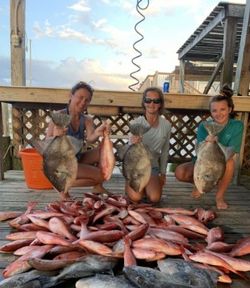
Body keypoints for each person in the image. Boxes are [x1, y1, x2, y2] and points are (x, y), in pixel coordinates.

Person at [175, 85, 244, 210]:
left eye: (222, 109)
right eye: (214, 111)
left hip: (220, 163)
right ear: (211, 112)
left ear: (230, 109)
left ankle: (219, 197)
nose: (218, 114)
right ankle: (200, 184)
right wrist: (205, 143)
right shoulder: (204, 126)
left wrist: (217, 144)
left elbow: (232, 151)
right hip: (202, 161)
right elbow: (198, 152)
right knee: (180, 172)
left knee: (230, 163)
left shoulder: (237, 125)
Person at [46, 81, 110, 197]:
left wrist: (97, 133)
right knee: (101, 175)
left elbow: (91, 139)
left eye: (87, 100)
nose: (83, 102)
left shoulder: (87, 119)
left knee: (103, 151)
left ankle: (98, 187)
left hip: (76, 158)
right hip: (61, 164)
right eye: (80, 97)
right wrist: (55, 136)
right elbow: (46, 146)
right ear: (71, 96)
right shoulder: (58, 116)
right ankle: (61, 186)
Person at [126, 86, 171, 203]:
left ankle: (147, 187)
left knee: (155, 198)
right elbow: (127, 150)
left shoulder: (166, 125)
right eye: (148, 100)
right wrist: (131, 142)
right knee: (136, 198)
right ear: (144, 103)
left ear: (160, 104)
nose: (152, 104)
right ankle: (132, 185)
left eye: (156, 101)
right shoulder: (135, 123)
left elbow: (165, 151)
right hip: (134, 167)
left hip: (152, 167)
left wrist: (163, 173)